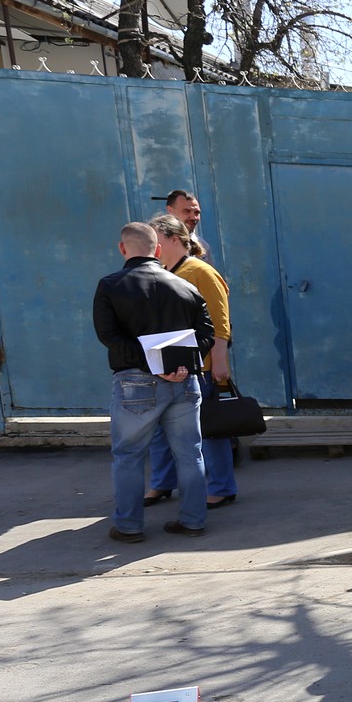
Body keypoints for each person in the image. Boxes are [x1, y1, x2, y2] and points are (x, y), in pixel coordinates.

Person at [93, 222, 213, 543]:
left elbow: (109, 336)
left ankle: (129, 527)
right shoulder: (185, 286)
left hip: (135, 382)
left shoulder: (110, 285)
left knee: (129, 456)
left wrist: (154, 364)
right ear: (157, 250)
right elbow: (206, 334)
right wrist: (179, 365)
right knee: (190, 453)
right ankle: (193, 521)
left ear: (122, 248)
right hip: (184, 381)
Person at [143, 214, 237, 510]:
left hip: (203, 364)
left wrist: (219, 361)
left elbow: (221, 323)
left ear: (174, 239)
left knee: (208, 429)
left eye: (157, 240)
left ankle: (222, 487)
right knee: (160, 429)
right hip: (167, 363)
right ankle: (162, 483)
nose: (153, 247)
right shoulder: (162, 271)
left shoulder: (200, 271)